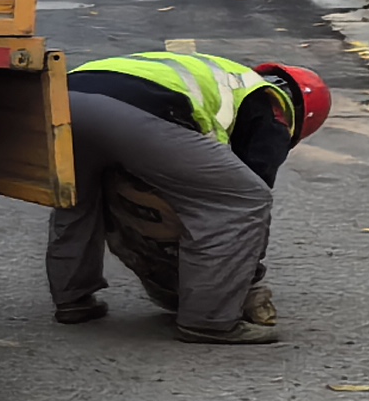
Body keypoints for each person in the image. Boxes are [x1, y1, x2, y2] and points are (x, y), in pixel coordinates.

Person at [46, 52, 331, 343]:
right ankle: (209, 320)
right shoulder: (275, 111)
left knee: (78, 195)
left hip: (60, 98)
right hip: (128, 113)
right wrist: (247, 275)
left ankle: (73, 299)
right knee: (243, 200)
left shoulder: (226, 76)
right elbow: (239, 197)